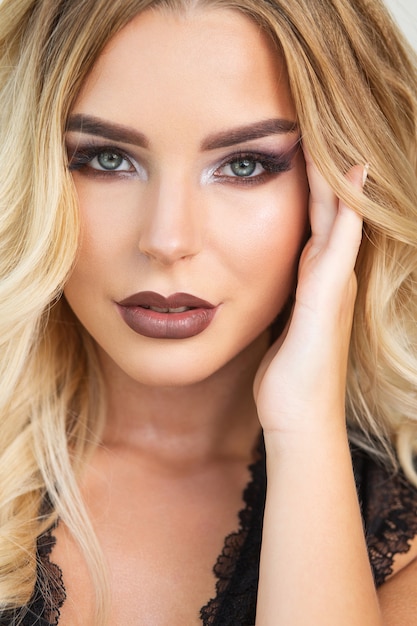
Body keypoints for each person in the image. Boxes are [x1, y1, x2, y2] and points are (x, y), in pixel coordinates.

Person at [0, 0, 417, 624]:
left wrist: (302, 424)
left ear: (339, 187)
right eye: (107, 159)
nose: (167, 240)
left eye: (244, 165)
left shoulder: (401, 541)